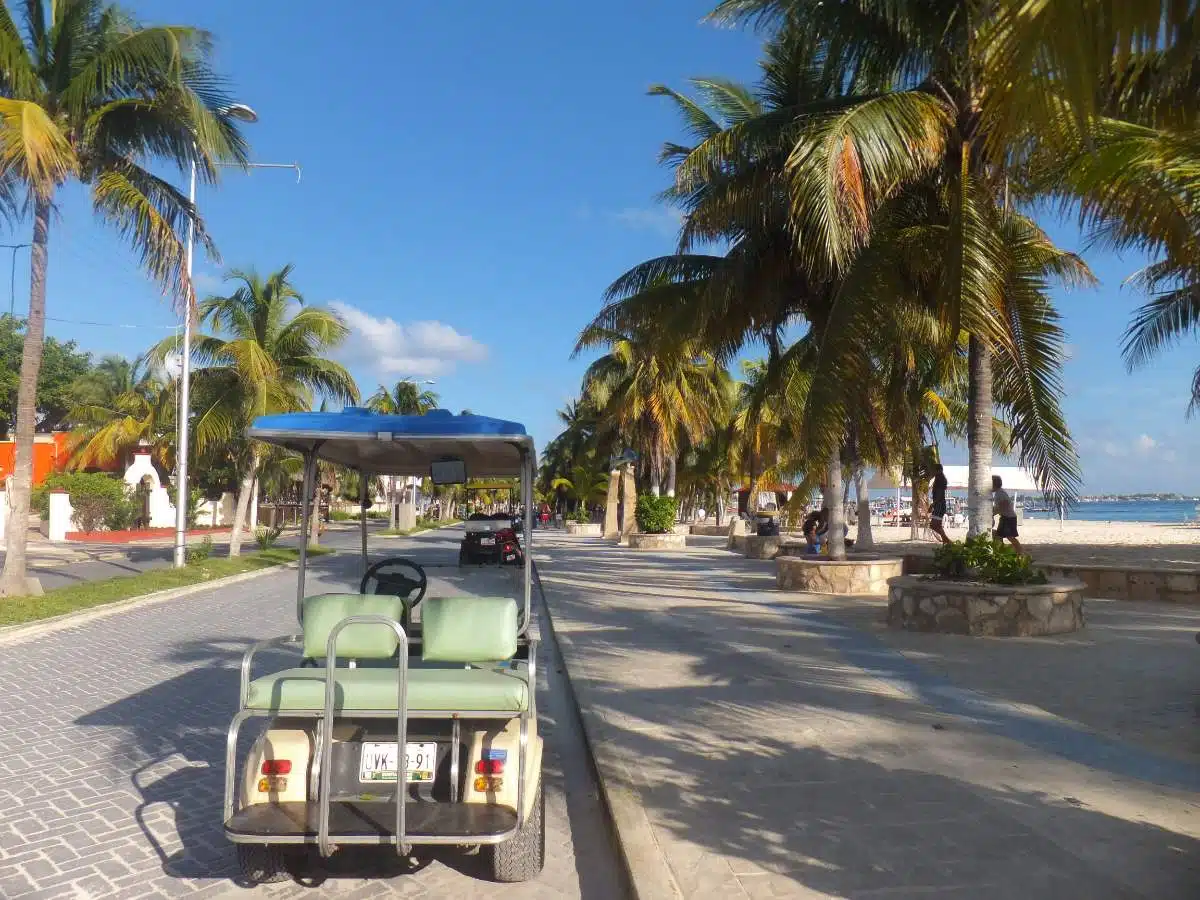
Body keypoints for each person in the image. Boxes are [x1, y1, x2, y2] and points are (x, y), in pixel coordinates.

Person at [991, 475, 1022, 553]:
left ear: (993, 484)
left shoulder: (1000, 493)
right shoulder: (999, 492)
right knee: (998, 536)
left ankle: (1021, 553)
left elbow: (1003, 506)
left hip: (1008, 518)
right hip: (1006, 517)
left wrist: (992, 514)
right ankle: (1000, 551)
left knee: (1010, 537)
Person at [929, 464, 951, 545]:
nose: (933, 472)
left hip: (939, 504)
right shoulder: (940, 478)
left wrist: (932, 504)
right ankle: (946, 540)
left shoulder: (940, 480)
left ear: (938, 470)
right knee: (936, 525)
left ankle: (947, 540)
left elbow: (939, 494)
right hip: (939, 504)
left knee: (934, 525)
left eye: (934, 470)